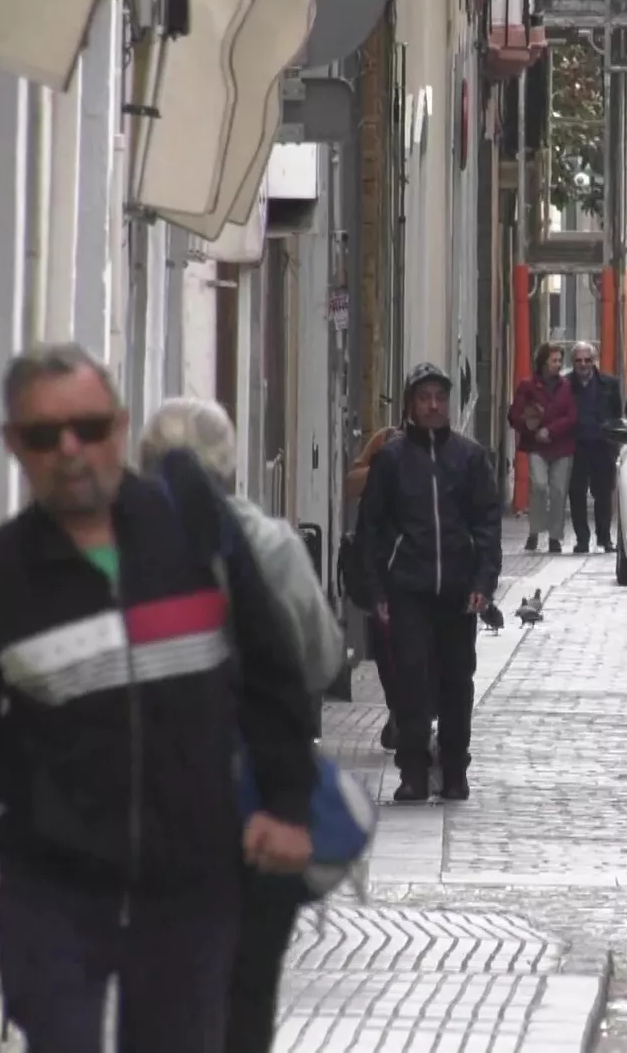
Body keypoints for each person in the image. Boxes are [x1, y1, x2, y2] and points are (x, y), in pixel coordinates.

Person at [0, 344, 316, 1053]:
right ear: (14, 446)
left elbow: (274, 670)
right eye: (44, 436)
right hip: (52, 889)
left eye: (90, 429)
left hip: (189, 884)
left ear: (120, 429)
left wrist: (285, 805)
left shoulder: (194, 542)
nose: (71, 450)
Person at [138, 398, 344, 1053]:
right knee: (247, 994)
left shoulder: (116, 551)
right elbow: (321, 659)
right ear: (233, 468)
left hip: (152, 810)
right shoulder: (274, 546)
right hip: (262, 802)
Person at [357, 362, 502, 802]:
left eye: (440, 397)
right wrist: (376, 591)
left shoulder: (470, 458)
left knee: (458, 682)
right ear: (411, 406)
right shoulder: (392, 460)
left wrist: (483, 580)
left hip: (458, 591)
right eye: (425, 398)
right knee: (412, 682)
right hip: (409, 589)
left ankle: (455, 769)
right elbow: (372, 530)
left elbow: (487, 525)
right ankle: (414, 771)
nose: (434, 405)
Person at [346, 422, 402, 750]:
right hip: (382, 565)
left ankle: (412, 715)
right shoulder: (384, 438)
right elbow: (351, 484)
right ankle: (399, 710)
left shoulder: (447, 449)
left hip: (421, 567)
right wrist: (383, 468)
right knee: (385, 647)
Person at [508, 341, 577, 554]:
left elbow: (572, 416)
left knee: (558, 491)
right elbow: (514, 415)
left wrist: (551, 430)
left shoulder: (566, 386)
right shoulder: (528, 385)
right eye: (554, 360)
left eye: (559, 360)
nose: (558, 364)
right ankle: (535, 531)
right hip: (536, 445)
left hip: (562, 446)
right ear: (544, 362)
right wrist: (532, 430)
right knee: (538, 486)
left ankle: (555, 537)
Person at [566, 340, 625, 553]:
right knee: (577, 494)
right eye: (579, 360)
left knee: (603, 495)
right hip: (576, 446)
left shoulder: (610, 383)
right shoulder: (566, 384)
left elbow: (617, 415)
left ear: (594, 361)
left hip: (602, 446)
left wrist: (614, 442)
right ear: (573, 362)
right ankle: (582, 539)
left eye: (588, 360)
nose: (583, 364)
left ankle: (604, 538)